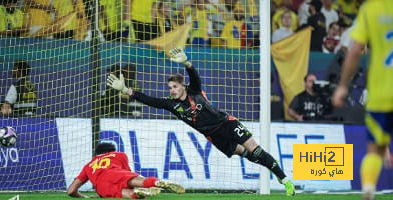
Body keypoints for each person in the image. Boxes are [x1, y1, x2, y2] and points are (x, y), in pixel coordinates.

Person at [107, 48, 296, 196]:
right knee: (247, 154)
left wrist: (188, 64)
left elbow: (195, 78)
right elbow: (150, 100)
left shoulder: (194, 91)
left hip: (227, 123)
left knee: (256, 150)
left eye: (175, 86)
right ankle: (270, 163)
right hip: (214, 136)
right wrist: (126, 90)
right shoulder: (172, 105)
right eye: (170, 87)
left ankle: (284, 178)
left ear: (183, 86)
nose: (172, 90)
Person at [332, 1, 393, 199]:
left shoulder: (370, 9)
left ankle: (368, 188)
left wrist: (342, 85)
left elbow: (355, 49)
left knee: (375, 149)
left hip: (380, 92)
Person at [67, 142, 185, 199]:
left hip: (101, 185)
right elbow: (128, 175)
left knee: (129, 194)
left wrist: (84, 197)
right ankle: (157, 182)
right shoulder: (119, 154)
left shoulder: (89, 165)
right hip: (117, 173)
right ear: (112, 150)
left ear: (96, 154)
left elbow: (71, 190)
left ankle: (140, 193)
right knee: (140, 181)